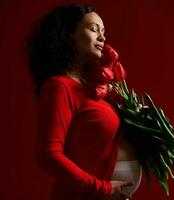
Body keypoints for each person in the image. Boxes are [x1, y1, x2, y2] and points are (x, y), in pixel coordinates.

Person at [26, 3, 142, 200]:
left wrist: (135, 122)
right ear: (68, 35)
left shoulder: (90, 87)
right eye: (93, 29)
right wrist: (101, 188)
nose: (102, 37)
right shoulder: (59, 86)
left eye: (103, 31)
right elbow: (48, 155)